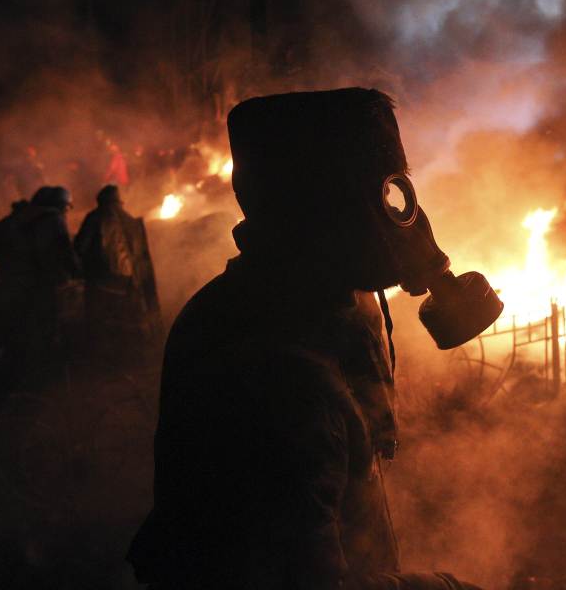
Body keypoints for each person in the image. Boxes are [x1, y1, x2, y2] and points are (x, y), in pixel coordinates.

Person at [127, 89, 504, 589]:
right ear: (326, 208)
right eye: (387, 193)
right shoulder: (277, 372)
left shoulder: (318, 301)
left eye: (399, 190)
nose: (406, 218)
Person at [0, 186, 80, 385]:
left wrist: (6, 260)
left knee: (15, 332)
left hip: (11, 285)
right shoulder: (53, 219)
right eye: (67, 209)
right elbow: (66, 254)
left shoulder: (18, 218)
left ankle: (10, 382)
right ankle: (39, 385)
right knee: (42, 333)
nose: (67, 213)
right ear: (59, 205)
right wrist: (78, 272)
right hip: (39, 288)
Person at [74, 185, 160, 358]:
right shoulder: (132, 221)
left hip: (102, 280)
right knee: (126, 319)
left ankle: (103, 357)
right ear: (119, 202)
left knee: (100, 321)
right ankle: (133, 354)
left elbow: (80, 247)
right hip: (129, 280)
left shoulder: (94, 218)